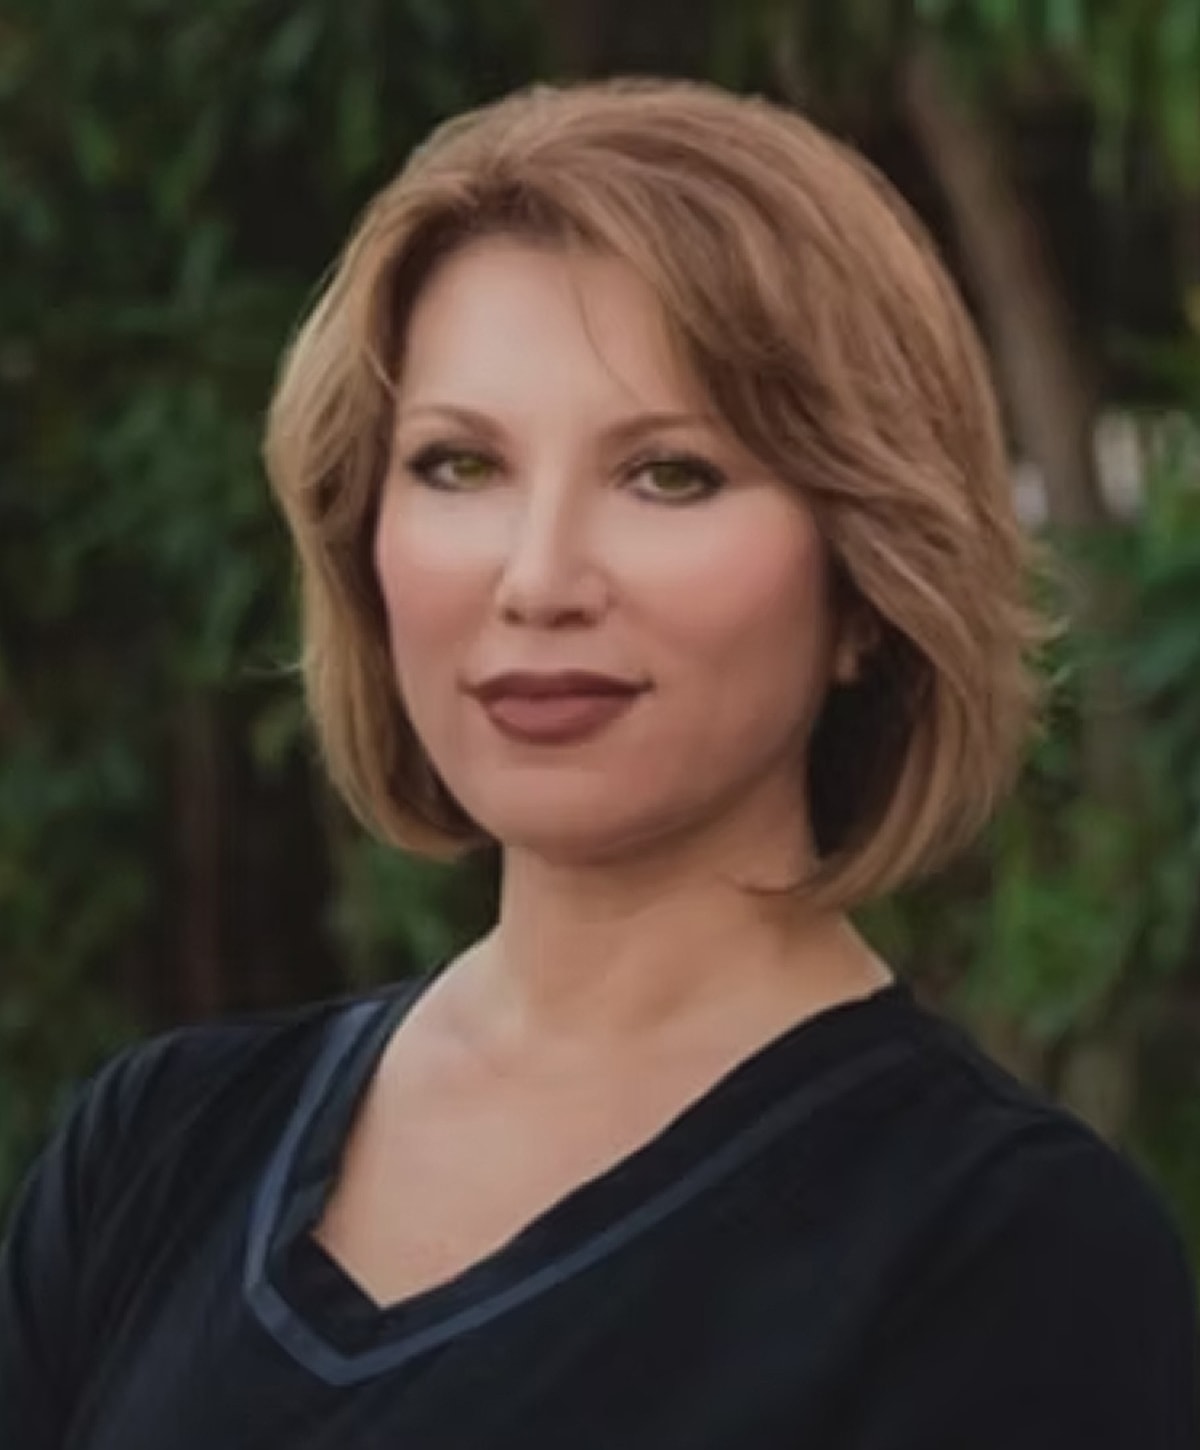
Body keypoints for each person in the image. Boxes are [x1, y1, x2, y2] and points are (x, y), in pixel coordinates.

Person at [1, 75, 1196, 1449]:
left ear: (867, 580)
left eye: (669, 473)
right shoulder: (159, 1145)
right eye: (459, 465)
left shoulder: (1005, 1252)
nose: (539, 576)